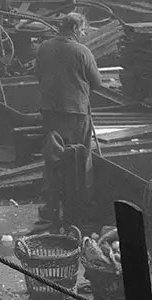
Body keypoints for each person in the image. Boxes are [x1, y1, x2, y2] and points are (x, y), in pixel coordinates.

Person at [34, 12, 101, 227]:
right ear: (74, 29)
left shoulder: (44, 47)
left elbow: (38, 74)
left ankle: (52, 206)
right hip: (76, 114)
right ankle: (80, 207)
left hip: (51, 113)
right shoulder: (82, 52)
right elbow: (97, 83)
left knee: (53, 160)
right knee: (80, 159)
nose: (82, 35)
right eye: (82, 31)